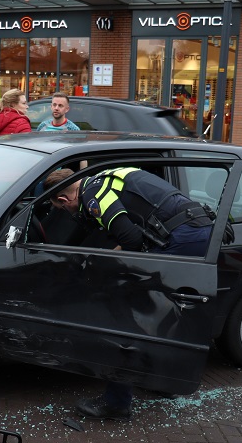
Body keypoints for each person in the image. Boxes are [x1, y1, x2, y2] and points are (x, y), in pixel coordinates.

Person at [44, 166, 215, 420]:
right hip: (198, 229)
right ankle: (163, 381)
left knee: (124, 318)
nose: (67, 212)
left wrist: (105, 261)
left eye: (61, 209)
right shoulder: (105, 178)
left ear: (64, 199)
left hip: (182, 237)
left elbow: (132, 240)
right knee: (159, 312)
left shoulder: (93, 196)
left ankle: (117, 403)